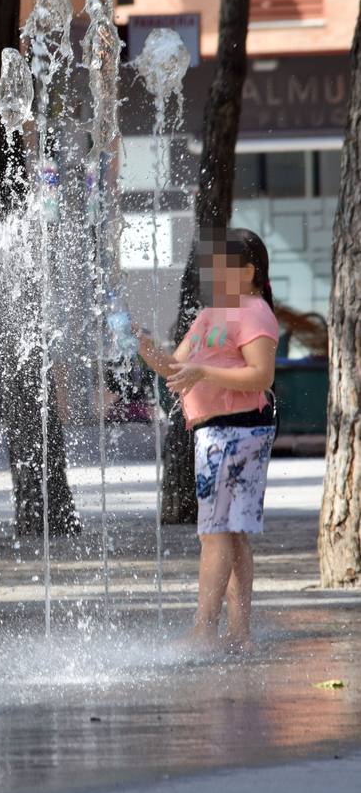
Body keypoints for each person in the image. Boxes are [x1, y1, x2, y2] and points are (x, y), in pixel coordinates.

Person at [135, 228, 278, 652]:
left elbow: (261, 376)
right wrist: (142, 345)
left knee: (217, 532)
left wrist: (205, 374)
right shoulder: (212, 314)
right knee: (230, 533)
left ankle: (205, 632)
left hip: (237, 428)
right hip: (217, 431)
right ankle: (238, 634)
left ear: (248, 271)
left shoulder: (254, 312)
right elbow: (175, 369)